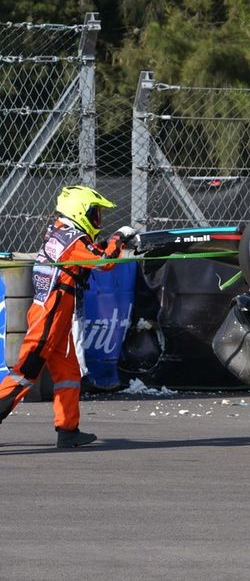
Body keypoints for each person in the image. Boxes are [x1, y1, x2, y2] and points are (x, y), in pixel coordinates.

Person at [0, 185, 135, 448]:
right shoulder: (71, 239)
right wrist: (119, 238)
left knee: (68, 372)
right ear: (80, 212)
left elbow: (92, 253)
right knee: (25, 372)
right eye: (95, 213)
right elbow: (103, 262)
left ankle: (68, 429)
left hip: (57, 311)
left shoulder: (65, 232)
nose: (98, 219)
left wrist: (115, 243)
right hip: (51, 313)